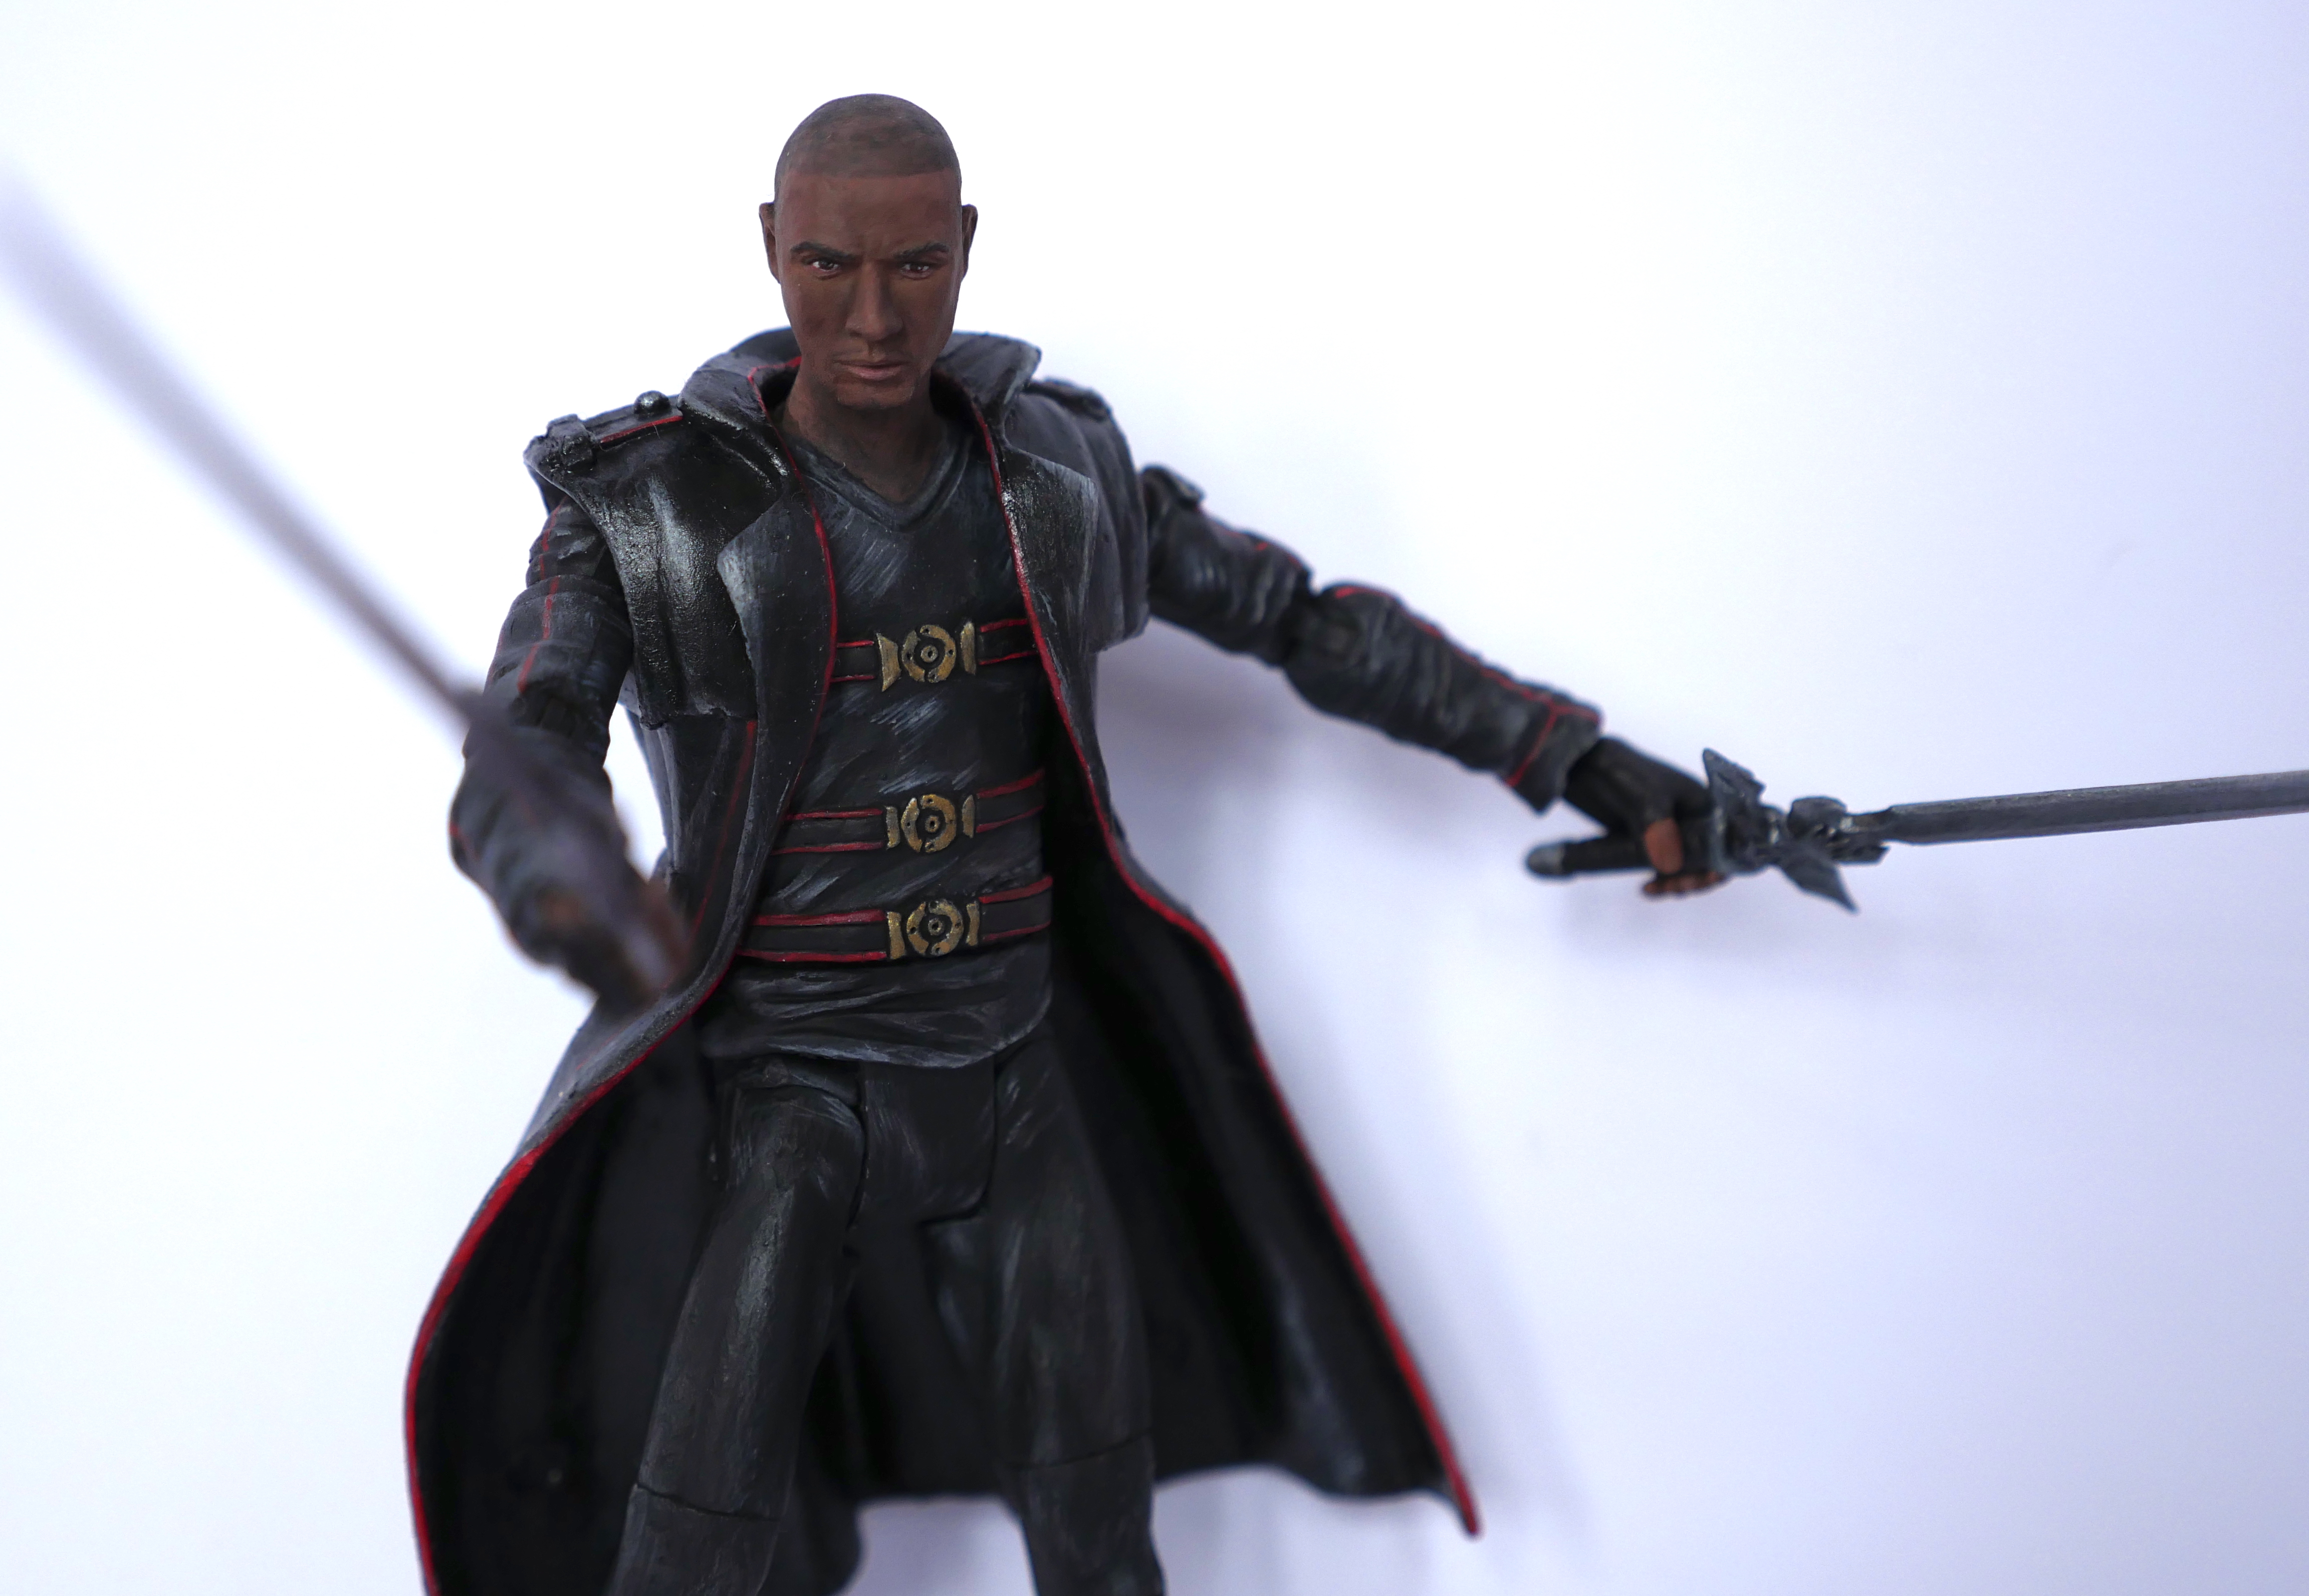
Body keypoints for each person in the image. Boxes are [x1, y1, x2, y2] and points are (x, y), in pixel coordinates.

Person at [410, 94, 1719, 1596]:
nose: (875, 318)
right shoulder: (644, 509)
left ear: (967, 247)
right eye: (830, 265)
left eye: (915, 265)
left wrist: (1572, 756)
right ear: (771, 248)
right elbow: (528, 743)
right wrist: (559, 880)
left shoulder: (1049, 472)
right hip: (785, 1094)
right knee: (698, 1528)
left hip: (1014, 1074)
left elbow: (1299, 620)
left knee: (1099, 1522)